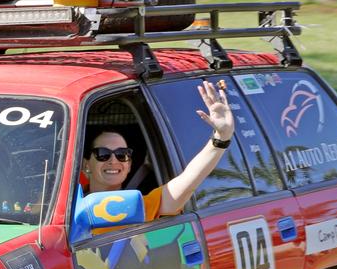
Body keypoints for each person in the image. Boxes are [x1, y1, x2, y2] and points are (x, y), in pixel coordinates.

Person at [81, 79, 234, 220]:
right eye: (103, 154)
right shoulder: (68, 204)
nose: (113, 160)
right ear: (86, 164)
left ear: (128, 165)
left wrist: (220, 139)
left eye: (122, 155)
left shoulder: (138, 208)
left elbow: (187, 181)